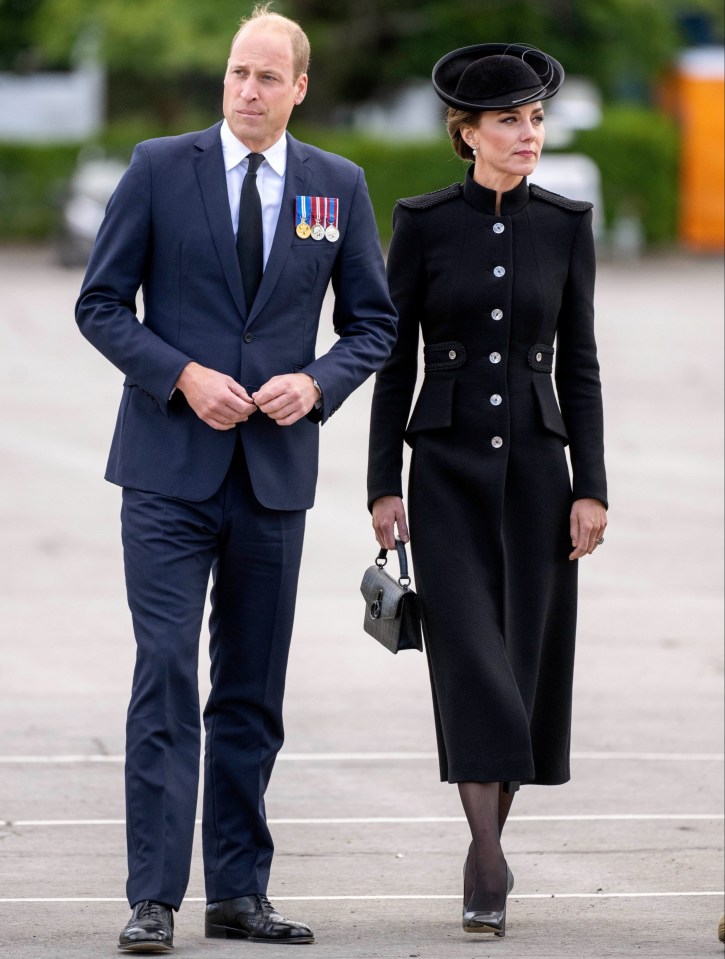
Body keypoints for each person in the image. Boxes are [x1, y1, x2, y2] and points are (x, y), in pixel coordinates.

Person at [76, 4, 396, 952]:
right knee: (166, 672)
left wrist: (318, 381)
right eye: (236, 73)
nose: (247, 90)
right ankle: (153, 898)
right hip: (168, 471)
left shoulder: (336, 185)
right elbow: (100, 303)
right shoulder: (156, 168)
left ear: (300, 88)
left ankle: (238, 893)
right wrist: (178, 373)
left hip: (272, 477)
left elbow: (372, 323)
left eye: (267, 77)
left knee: (251, 689)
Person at [367, 43, 607, 937]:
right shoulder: (422, 221)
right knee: (469, 659)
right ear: (466, 134)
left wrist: (593, 486)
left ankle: (483, 847)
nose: (527, 134)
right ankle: (488, 858)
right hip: (445, 474)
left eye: (535, 119)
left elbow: (580, 366)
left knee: (524, 667)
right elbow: (393, 359)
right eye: (508, 120)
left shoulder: (565, 224)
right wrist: (379, 484)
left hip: (542, 476)